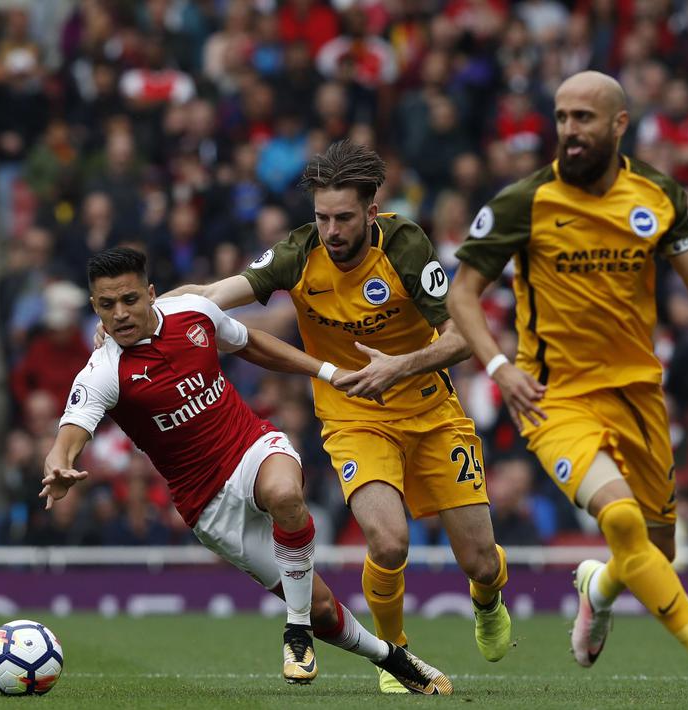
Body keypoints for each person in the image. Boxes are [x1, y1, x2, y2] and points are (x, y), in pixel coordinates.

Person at [447, 71, 688, 710]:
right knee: (622, 519)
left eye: (584, 119)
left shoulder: (657, 195)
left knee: (650, 553)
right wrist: (498, 368)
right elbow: (462, 293)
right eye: (562, 117)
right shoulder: (525, 201)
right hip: (554, 400)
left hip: (638, 395)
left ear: (619, 125)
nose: (569, 132)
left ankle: (598, 589)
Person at [132, 140, 512, 692]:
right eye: (322, 218)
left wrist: (400, 366)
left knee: (479, 561)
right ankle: (397, 656)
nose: (331, 230)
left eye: (343, 218)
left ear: (371, 213)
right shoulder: (297, 252)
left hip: (431, 411)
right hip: (354, 416)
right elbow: (211, 295)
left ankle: (487, 598)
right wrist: (138, 318)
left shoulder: (406, 246)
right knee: (387, 542)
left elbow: (462, 337)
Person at [44, 247, 451, 695]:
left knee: (284, 495)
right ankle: (391, 658)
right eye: (107, 305)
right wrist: (60, 467)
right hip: (208, 505)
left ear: (151, 294)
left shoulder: (193, 312)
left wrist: (328, 372)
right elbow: (67, 440)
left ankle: (295, 633)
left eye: (129, 300)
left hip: (250, 446)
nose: (120, 314)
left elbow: (251, 343)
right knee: (321, 608)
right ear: (94, 308)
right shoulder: (103, 372)